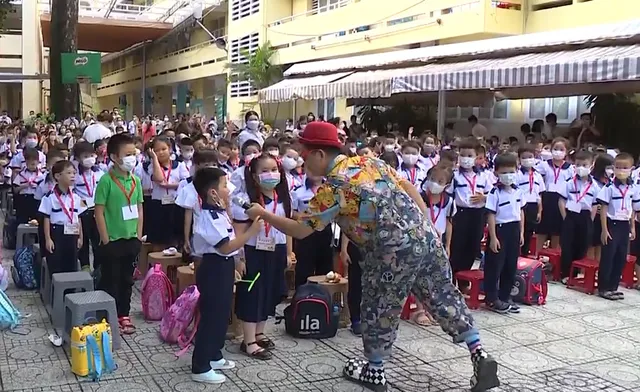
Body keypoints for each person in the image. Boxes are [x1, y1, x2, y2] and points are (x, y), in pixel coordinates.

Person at [243, 122, 499, 392]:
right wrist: (425, 228)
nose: (302, 165)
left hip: (388, 253)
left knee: (379, 307)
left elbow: (300, 230)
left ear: (319, 154)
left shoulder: (334, 189)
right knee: (442, 294)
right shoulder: (370, 162)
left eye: (305, 157)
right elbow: (409, 189)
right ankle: (478, 352)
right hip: (424, 239)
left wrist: (263, 213)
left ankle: (375, 370)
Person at [190, 167, 263, 384]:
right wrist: (251, 233)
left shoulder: (220, 211)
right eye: (224, 185)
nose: (228, 189)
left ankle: (214, 354)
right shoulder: (207, 216)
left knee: (222, 314)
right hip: (212, 267)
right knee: (211, 316)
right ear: (212, 192)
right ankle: (200, 365)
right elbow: (225, 246)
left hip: (223, 266)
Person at [232, 153, 293, 360]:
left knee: (269, 292)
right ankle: (248, 341)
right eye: (265, 171)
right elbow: (238, 230)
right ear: (255, 177)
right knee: (252, 294)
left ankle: (259, 333)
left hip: (275, 250)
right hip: (253, 252)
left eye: (274, 170)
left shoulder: (284, 199)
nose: (271, 174)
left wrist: (288, 252)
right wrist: (239, 258)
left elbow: (287, 228)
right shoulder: (247, 202)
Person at [94, 133, 144, 335]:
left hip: (131, 239)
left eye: (134, 153)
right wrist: (106, 240)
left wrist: (138, 235)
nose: (132, 158)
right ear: (114, 157)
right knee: (110, 279)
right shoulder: (106, 181)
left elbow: (140, 209)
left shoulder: (136, 181)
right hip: (112, 240)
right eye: (127, 154)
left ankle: (124, 313)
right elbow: (99, 211)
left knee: (127, 280)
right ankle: (108, 315)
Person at [484, 153, 524, 313]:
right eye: (504, 172)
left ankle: (506, 296)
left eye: (511, 171)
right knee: (495, 266)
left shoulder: (518, 192)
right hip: (500, 230)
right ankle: (492, 299)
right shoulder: (495, 193)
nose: (508, 176)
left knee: (510, 265)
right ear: (497, 173)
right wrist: (493, 237)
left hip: (514, 229)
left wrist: (521, 232)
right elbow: (491, 215)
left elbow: (520, 212)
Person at [448, 138, 490, 283]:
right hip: (460, 213)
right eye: (463, 155)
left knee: (473, 246)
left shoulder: (484, 175)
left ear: (476, 157)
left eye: (470, 156)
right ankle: (453, 279)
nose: (466, 159)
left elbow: (492, 193)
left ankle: (464, 280)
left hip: (477, 214)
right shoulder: (454, 175)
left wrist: (483, 197)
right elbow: (449, 195)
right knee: (458, 246)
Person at [597, 152, 638, 300]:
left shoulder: (633, 188)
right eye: (618, 167)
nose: (621, 170)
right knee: (609, 256)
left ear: (631, 169)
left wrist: (632, 226)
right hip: (611, 223)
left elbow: (632, 209)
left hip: (624, 224)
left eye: (624, 167)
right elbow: (604, 209)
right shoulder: (609, 187)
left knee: (620, 257)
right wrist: (604, 229)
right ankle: (603, 288)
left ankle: (613, 287)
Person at [39, 160, 85, 275]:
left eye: (74, 173)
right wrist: (48, 239)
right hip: (57, 232)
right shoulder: (49, 197)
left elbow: (78, 218)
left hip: (73, 232)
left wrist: (80, 236)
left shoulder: (77, 197)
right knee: (56, 265)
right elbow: (46, 218)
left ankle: (70, 291)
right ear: (57, 176)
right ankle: (56, 291)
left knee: (71, 264)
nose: (73, 176)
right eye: (69, 173)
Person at [558, 150, 597, 283]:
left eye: (585, 165)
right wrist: (565, 217)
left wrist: (590, 220)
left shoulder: (595, 186)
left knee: (582, 245)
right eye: (578, 164)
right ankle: (565, 274)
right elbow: (561, 201)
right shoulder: (569, 182)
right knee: (568, 245)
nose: (581, 168)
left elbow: (594, 205)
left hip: (585, 216)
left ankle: (576, 273)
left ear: (591, 166)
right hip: (570, 215)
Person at [146, 136, 190, 248]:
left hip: (175, 203)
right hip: (158, 204)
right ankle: (157, 264)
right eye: (156, 150)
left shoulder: (179, 165)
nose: (160, 153)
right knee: (158, 240)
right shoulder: (151, 166)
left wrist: (169, 185)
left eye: (163, 149)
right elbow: (159, 178)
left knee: (174, 239)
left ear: (170, 149)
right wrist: (154, 159)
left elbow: (185, 183)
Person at [291, 173, 333, 287]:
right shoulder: (298, 191)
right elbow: (291, 212)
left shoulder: (331, 188)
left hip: (326, 230)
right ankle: (302, 297)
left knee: (326, 268)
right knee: (304, 267)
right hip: (306, 231)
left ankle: (325, 298)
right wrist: (300, 215)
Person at [536, 137, 573, 252]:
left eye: (561, 149)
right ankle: (536, 255)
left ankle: (553, 259)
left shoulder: (570, 168)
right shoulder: (544, 165)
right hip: (547, 199)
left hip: (561, 200)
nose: (558, 151)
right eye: (555, 148)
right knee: (542, 230)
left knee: (557, 232)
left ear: (566, 151)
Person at [73, 141, 104, 272]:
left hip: (97, 211)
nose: (89, 159)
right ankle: (85, 265)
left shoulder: (100, 173)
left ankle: (98, 267)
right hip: (82, 211)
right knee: (83, 239)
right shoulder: (75, 175)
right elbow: (72, 193)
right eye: (85, 157)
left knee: (98, 239)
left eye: (91, 155)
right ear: (78, 159)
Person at [516, 144, 544, 256]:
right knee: (519, 232)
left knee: (529, 233)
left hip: (533, 207)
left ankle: (524, 255)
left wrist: (539, 211)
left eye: (530, 157)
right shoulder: (517, 174)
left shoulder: (537, 175)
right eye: (524, 157)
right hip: (521, 206)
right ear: (519, 159)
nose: (527, 160)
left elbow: (539, 195)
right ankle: (517, 255)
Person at [588, 153, 614, 261]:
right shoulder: (592, 181)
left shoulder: (610, 182)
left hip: (604, 218)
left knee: (600, 244)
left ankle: (596, 269)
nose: (611, 170)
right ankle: (585, 271)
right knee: (591, 244)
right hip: (593, 216)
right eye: (609, 167)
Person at [13, 147, 46, 224]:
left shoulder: (41, 176)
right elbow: (15, 190)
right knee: (21, 220)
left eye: (33, 164)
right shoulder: (21, 174)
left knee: (36, 221)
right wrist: (25, 185)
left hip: (36, 200)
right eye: (28, 164)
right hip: (23, 199)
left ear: (38, 162)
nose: (31, 166)